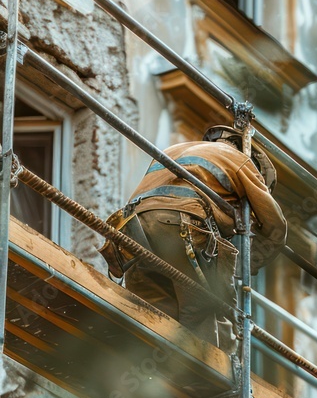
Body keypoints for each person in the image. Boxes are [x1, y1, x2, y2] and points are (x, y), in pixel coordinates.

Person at [101, 125, 287, 350]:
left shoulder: (175, 149)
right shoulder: (240, 161)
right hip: (178, 222)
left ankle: (147, 367)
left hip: (133, 228)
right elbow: (275, 226)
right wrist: (251, 262)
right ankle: (200, 375)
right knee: (203, 307)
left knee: (154, 310)